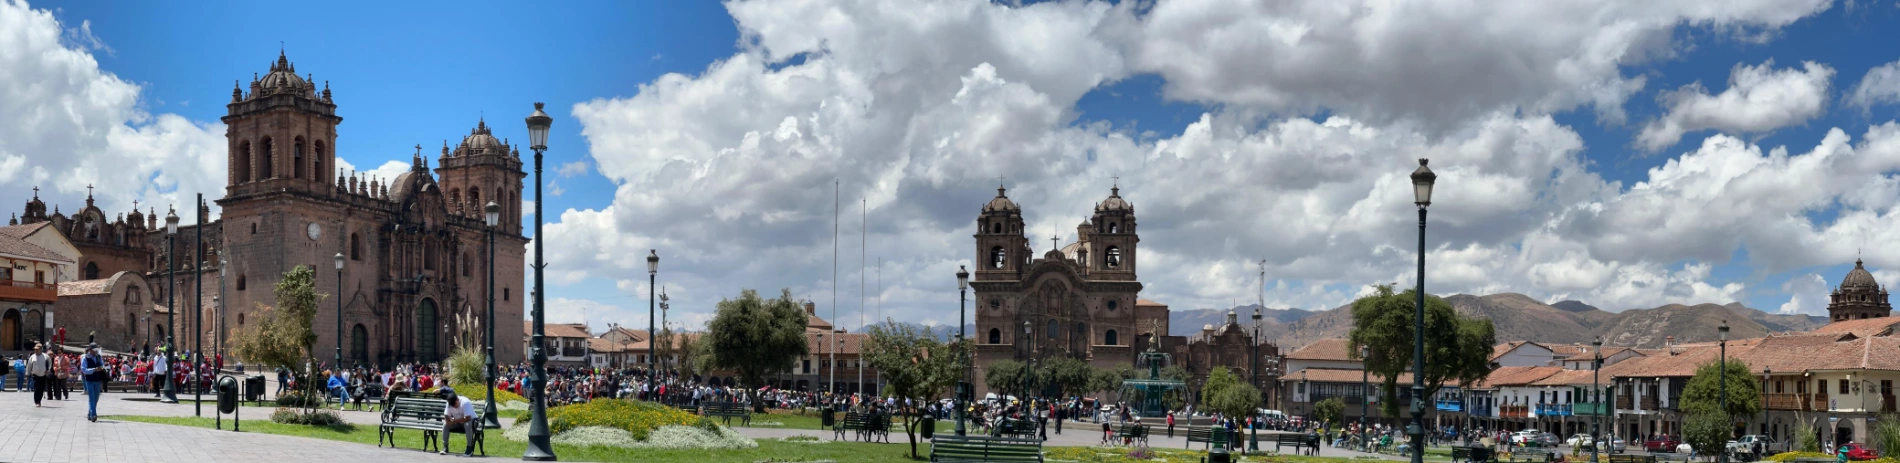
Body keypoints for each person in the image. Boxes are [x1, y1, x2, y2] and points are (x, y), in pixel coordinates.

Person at [439, 387, 477, 457]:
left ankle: (469, 448)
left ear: (457, 400)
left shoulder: (465, 402)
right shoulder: (449, 403)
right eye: (452, 405)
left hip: (472, 422)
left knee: (467, 424)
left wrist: (455, 421)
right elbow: (446, 414)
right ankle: (445, 447)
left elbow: (468, 418)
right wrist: (447, 420)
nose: (453, 406)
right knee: (445, 425)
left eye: (454, 404)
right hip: (457, 422)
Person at [81, 343, 108, 422]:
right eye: (93, 350)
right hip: (89, 380)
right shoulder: (85, 358)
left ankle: (90, 413)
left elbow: (102, 365)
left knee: (96, 399)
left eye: (96, 350)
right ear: (90, 350)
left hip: (98, 380)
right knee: (91, 398)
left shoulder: (98, 357)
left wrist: (102, 368)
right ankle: (94, 414)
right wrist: (94, 369)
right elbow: (84, 370)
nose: (95, 352)